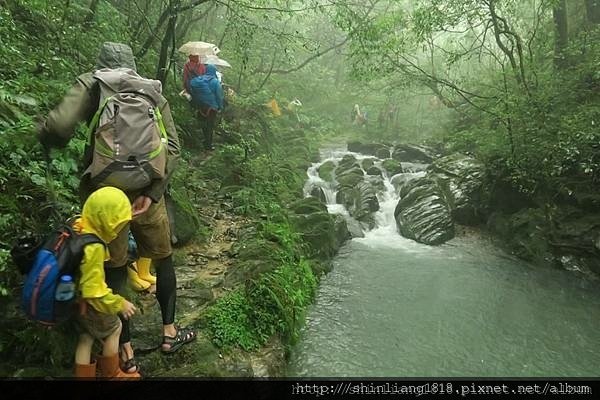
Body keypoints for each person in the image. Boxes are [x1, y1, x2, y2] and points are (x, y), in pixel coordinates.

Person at [38, 42, 196, 375]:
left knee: (113, 267)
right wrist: (153, 194)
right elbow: (176, 149)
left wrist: (44, 135)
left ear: (102, 63)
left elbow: (59, 127)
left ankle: (124, 350)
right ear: (133, 64)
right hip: (145, 195)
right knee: (163, 258)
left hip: (104, 199)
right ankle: (169, 333)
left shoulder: (92, 83)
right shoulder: (151, 90)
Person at [73, 186, 140, 379]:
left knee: (86, 337)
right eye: (117, 224)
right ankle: (114, 375)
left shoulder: (79, 225)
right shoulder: (93, 246)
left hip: (75, 298)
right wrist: (119, 303)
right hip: (91, 300)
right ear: (106, 220)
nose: (118, 230)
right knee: (114, 328)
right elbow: (93, 290)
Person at [190, 64, 224, 151]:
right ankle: (208, 145)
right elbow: (219, 96)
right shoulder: (215, 82)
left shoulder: (200, 79)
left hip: (200, 106)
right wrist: (220, 107)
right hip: (212, 108)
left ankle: (202, 140)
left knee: (203, 124)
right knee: (210, 126)